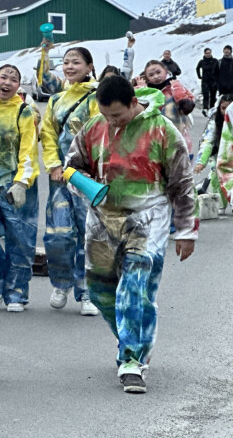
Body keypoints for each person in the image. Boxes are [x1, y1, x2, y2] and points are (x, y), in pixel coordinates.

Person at [65, 75, 196, 394]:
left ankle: (133, 360)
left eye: (117, 116)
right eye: (106, 115)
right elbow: (71, 166)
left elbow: (182, 183)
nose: (111, 122)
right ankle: (130, 338)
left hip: (147, 219)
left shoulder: (163, 130)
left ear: (134, 103)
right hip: (102, 220)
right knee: (99, 291)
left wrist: (186, 230)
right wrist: (84, 184)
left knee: (135, 288)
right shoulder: (95, 126)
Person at [39, 46, 100, 316]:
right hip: (60, 178)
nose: (69, 66)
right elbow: (48, 134)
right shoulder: (56, 100)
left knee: (89, 234)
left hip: (87, 178)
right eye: (65, 62)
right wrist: (53, 164)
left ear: (89, 67)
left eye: (76, 62)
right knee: (59, 233)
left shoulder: (98, 97)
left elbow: (102, 134)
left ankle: (87, 291)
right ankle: (61, 283)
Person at [0, 64, 40, 313]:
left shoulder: (25, 111)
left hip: (16, 184)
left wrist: (22, 181)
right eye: (4, 76)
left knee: (20, 240)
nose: (8, 82)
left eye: (14, 79)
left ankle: (17, 293)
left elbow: (29, 149)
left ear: (18, 86)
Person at [141, 60, 196, 154]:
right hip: (153, 143)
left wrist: (178, 91)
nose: (156, 77)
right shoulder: (146, 92)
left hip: (178, 140)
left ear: (165, 71)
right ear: (147, 78)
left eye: (158, 72)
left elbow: (188, 108)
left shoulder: (176, 87)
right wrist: (141, 91)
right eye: (151, 75)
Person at [195, 94, 233, 212]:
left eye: (229, 109)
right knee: (218, 177)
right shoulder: (215, 121)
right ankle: (220, 204)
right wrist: (201, 162)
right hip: (220, 155)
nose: (225, 112)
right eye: (223, 108)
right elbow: (208, 141)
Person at [196, 48, 220, 116]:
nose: (208, 54)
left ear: (211, 53)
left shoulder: (215, 61)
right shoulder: (202, 61)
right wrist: (199, 76)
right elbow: (197, 68)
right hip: (205, 80)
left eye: (209, 53)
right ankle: (205, 108)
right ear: (204, 54)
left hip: (213, 81)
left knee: (213, 96)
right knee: (206, 95)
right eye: (206, 53)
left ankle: (212, 109)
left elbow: (218, 70)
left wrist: (217, 80)